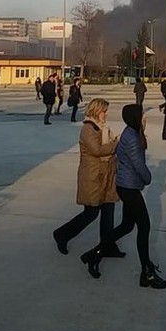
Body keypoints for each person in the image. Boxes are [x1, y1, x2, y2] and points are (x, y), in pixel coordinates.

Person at [81, 104, 166, 289]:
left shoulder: (130, 132)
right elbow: (138, 165)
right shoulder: (133, 138)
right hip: (129, 188)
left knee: (127, 226)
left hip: (126, 185)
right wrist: (149, 177)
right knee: (144, 227)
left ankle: (94, 253)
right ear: (136, 117)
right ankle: (147, 272)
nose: (145, 117)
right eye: (142, 114)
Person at [52, 98, 124, 258]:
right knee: (91, 212)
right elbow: (96, 150)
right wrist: (117, 144)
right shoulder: (88, 128)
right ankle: (62, 234)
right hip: (93, 176)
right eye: (104, 111)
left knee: (108, 211)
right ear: (96, 111)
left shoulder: (102, 127)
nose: (106, 114)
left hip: (106, 174)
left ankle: (108, 246)